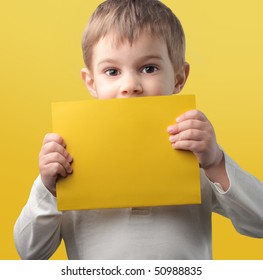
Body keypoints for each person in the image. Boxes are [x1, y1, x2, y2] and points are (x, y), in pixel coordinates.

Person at [14, 0, 263, 260]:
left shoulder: (196, 153)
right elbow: (30, 252)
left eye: (149, 68)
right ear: (91, 82)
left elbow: (260, 222)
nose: (130, 85)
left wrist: (215, 163)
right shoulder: (70, 158)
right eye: (112, 71)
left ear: (178, 78)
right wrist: (48, 188)